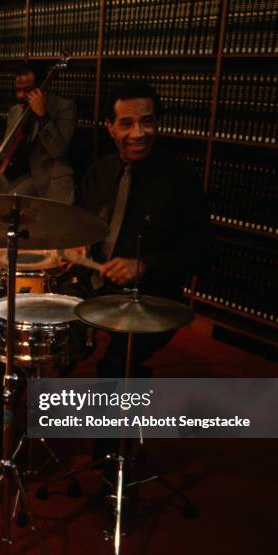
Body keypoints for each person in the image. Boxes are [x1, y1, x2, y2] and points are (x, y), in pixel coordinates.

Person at [76, 80, 211, 378]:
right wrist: (78, 244)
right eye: (126, 123)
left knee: (113, 369)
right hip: (94, 285)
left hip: (152, 296)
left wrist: (145, 265)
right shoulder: (98, 172)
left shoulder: (181, 179)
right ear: (110, 127)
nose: (138, 133)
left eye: (147, 122)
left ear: (157, 123)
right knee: (39, 329)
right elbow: (81, 225)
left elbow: (201, 252)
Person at [1, 64, 77, 205]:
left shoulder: (65, 107)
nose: (20, 96)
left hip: (52, 177)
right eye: (17, 90)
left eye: (27, 90)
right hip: (25, 176)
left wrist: (43, 116)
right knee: (4, 208)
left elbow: (58, 150)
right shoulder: (15, 111)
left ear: (42, 88)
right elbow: (8, 149)